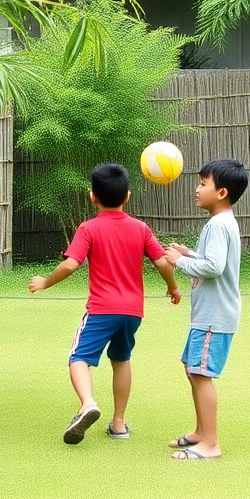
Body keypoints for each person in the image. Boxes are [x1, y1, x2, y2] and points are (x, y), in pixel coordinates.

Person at [29, 163, 181, 444]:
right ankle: (119, 424)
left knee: (79, 358)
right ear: (128, 197)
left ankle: (87, 404)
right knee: (121, 359)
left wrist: (45, 282)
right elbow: (162, 262)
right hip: (133, 312)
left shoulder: (89, 228)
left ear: (92, 197)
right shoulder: (141, 228)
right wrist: (173, 287)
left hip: (101, 309)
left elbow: (71, 264)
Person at [161, 159, 249, 460]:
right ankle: (201, 432)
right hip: (209, 315)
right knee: (192, 368)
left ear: (222, 192)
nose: (197, 189)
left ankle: (210, 443)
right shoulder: (222, 222)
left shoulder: (218, 224)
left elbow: (214, 267)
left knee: (200, 374)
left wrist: (178, 261)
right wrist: (190, 253)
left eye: (202, 184)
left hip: (214, 317)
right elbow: (211, 259)